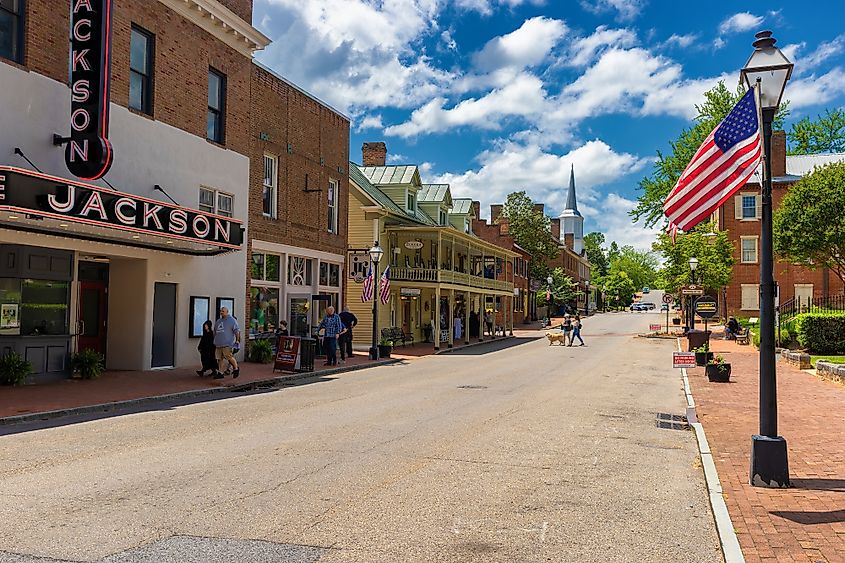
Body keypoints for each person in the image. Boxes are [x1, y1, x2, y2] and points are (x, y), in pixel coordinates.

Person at [213, 306, 241, 379]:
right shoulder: (218, 321)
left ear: (227, 312)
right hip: (218, 344)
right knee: (219, 358)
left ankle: (236, 368)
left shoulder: (232, 320)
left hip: (227, 343)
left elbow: (237, 331)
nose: (221, 312)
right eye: (221, 311)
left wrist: (237, 341)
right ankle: (220, 372)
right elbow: (215, 331)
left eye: (223, 311)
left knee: (229, 357)